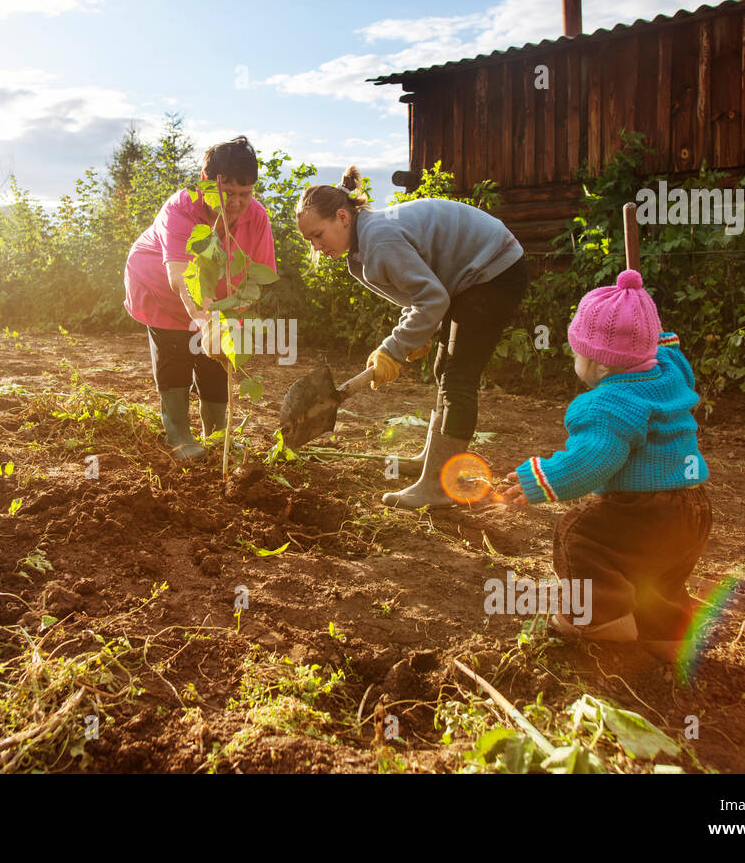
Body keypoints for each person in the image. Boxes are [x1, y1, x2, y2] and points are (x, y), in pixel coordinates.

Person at [499, 269, 711, 661]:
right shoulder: (669, 368)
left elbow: (591, 463)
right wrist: (647, 327)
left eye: (578, 352)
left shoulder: (606, 405)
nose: (575, 359)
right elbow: (668, 348)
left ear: (598, 365)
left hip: (646, 509)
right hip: (693, 508)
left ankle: (600, 618)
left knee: (580, 536)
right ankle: (669, 637)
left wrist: (541, 478)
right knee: (660, 573)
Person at [295, 166, 528, 508]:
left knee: (457, 377)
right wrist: (415, 335)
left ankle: (438, 485)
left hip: (494, 270)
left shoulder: (379, 241)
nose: (316, 246)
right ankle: (432, 462)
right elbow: (420, 300)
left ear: (342, 217)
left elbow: (433, 298)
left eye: (318, 234)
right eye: (309, 240)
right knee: (443, 370)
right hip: (467, 281)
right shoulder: (361, 253)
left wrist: (393, 348)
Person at [124, 136, 275, 460]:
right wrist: (208, 325)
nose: (236, 204)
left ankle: (217, 433)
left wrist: (228, 322)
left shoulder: (257, 217)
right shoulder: (180, 209)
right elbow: (181, 278)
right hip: (161, 288)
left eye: (244, 194)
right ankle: (178, 433)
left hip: (215, 300)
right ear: (207, 184)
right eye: (228, 194)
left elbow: (254, 278)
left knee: (217, 362)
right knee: (176, 351)